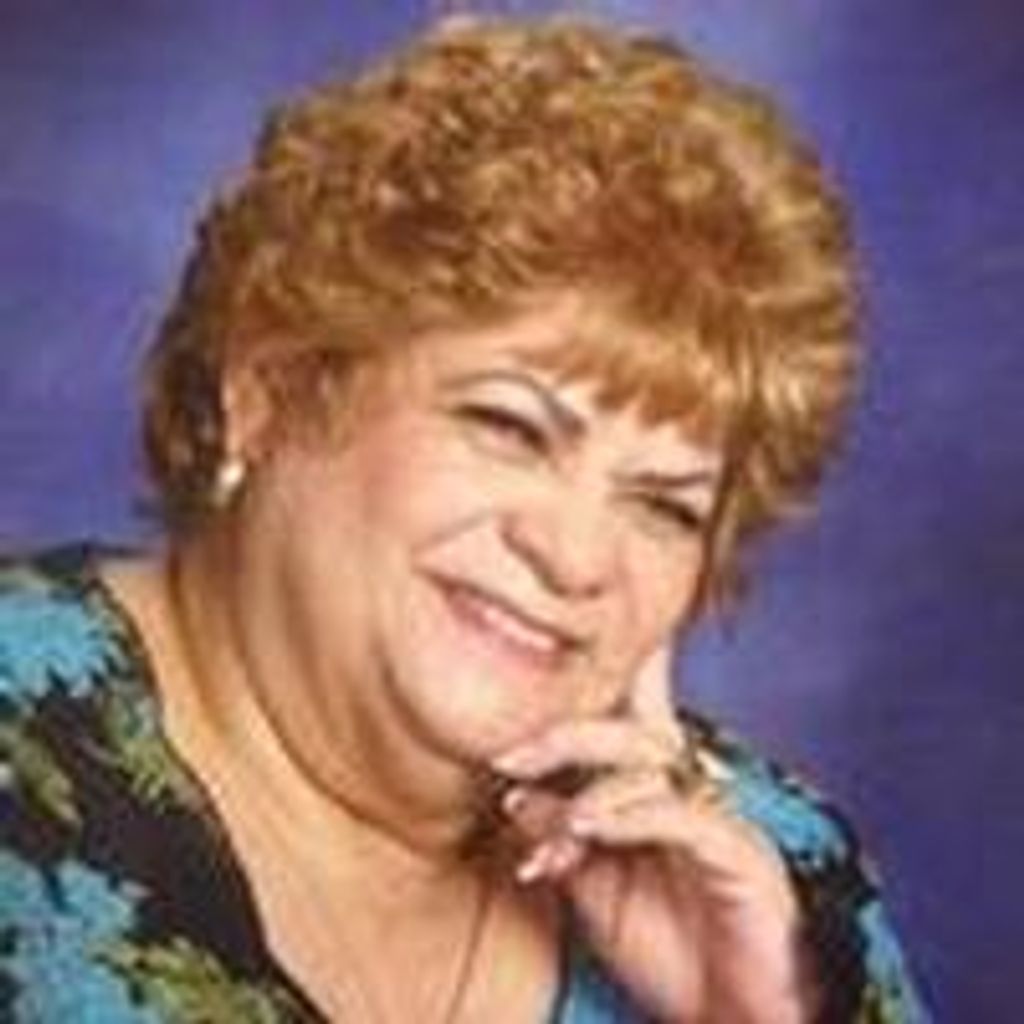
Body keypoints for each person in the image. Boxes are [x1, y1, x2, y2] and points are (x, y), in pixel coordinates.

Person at [0, 16, 925, 1023]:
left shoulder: (771, 886)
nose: (576, 556)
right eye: (509, 427)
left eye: (664, 505)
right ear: (269, 387)